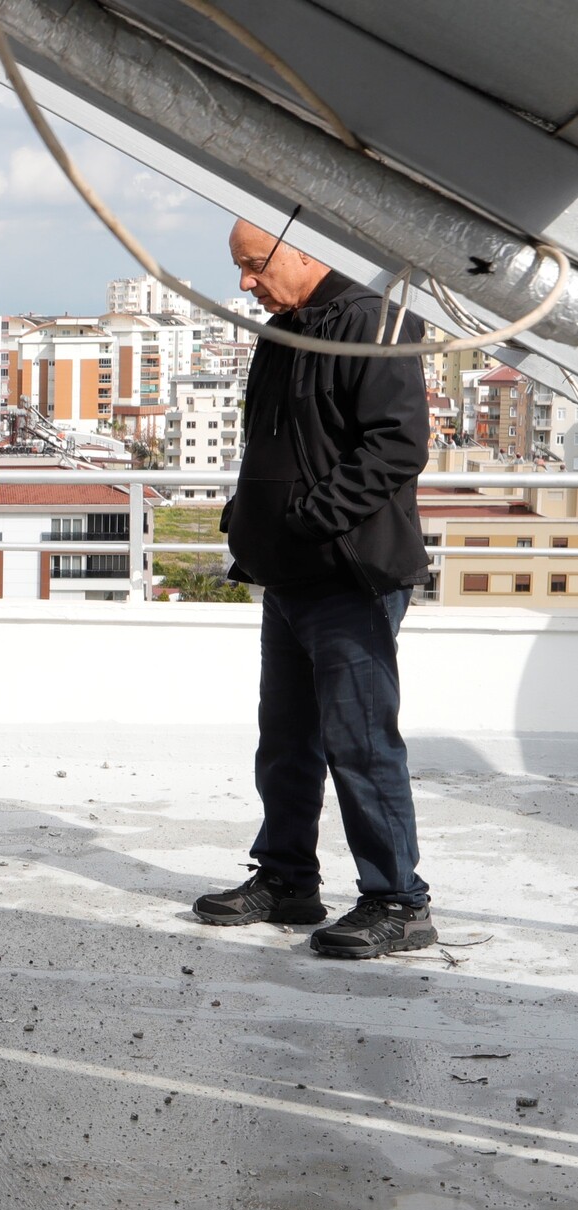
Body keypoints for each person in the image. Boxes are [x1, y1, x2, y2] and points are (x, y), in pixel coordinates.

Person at [193, 218, 437, 959]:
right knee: (286, 740)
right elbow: (268, 441)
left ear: (302, 250)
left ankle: (397, 900)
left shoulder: (374, 322)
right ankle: (286, 878)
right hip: (288, 571)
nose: (245, 281)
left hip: (348, 573)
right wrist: (250, 516)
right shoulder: (283, 330)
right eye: (239, 267)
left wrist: (307, 518)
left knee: (359, 743)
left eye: (254, 264)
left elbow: (397, 443)